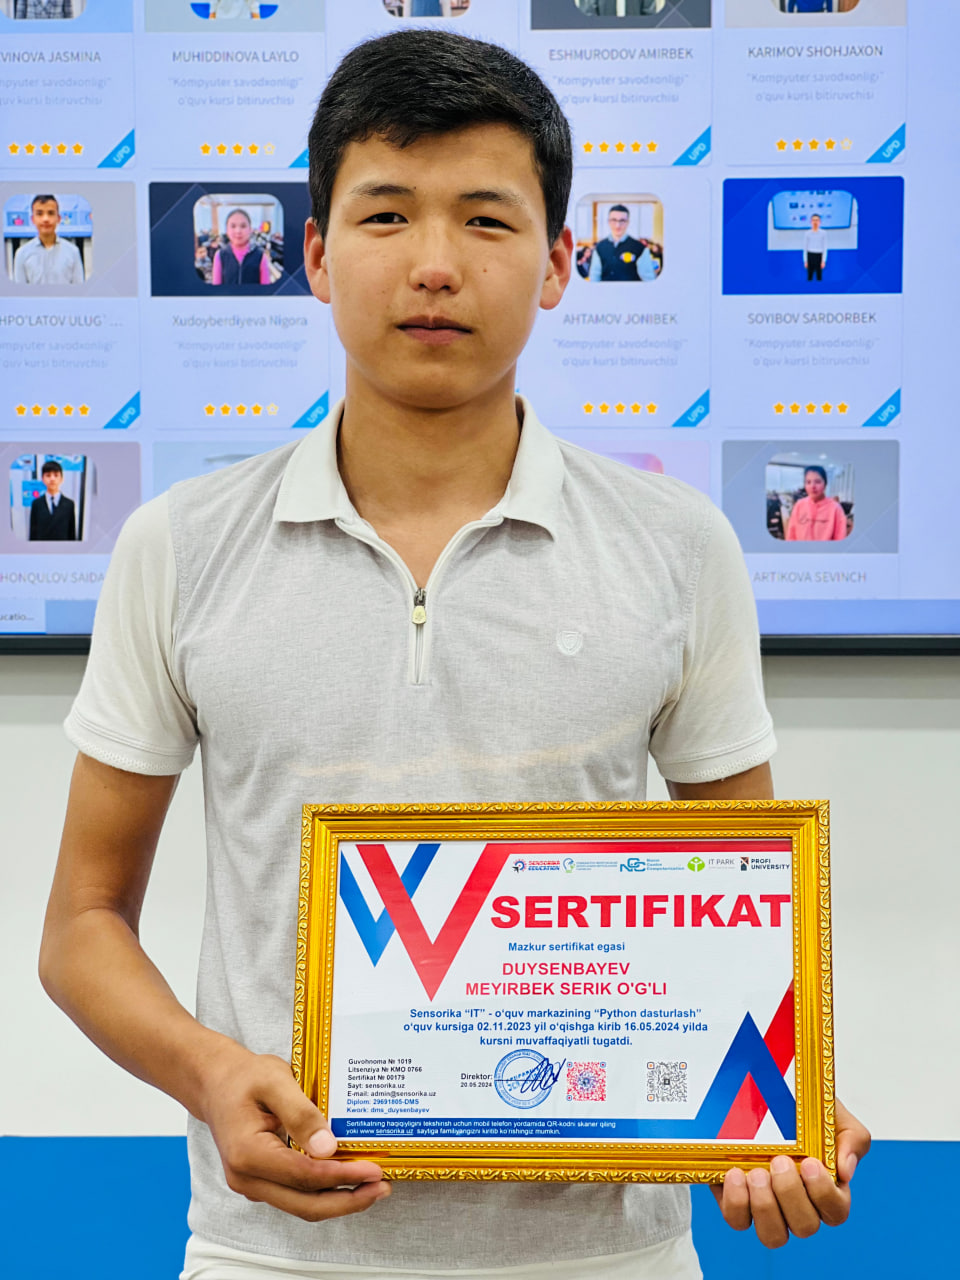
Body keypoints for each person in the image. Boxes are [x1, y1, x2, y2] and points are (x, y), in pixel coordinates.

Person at [40, 28, 869, 1280]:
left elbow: (750, 916)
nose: (435, 264)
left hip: (605, 1256)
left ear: (559, 263)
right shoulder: (182, 542)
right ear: (316, 256)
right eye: (386, 215)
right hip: (276, 1252)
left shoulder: (677, 544)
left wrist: (784, 1100)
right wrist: (209, 1071)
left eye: (487, 219)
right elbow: (81, 922)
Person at [12, 194, 84, 285]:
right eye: (39, 213)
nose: (45, 219)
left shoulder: (73, 252)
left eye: (50, 213)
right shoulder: (21, 254)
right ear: (33, 219)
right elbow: (20, 291)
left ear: (58, 218)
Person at [584, 204, 661, 282]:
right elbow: (594, 276)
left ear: (628, 222)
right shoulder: (599, 247)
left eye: (622, 221)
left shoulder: (640, 249)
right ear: (609, 222)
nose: (618, 225)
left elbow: (648, 279)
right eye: (614, 220)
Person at [785, 465, 848, 541]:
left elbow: (840, 538)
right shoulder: (799, 505)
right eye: (808, 482)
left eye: (817, 482)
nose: (812, 486)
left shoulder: (835, 508)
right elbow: (791, 535)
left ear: (825, 484)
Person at [211, 208, 272, 285]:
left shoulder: (260, 256)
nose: (238, 231)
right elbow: (217, 289)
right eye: (233, 226)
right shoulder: (220, 256)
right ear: (227, 230)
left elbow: (266, 289)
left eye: (243, 226)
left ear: (250, 229)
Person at [29, 460, 77, 541]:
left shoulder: (69, 504)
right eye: (48, 475)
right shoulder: (36, 504)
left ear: (61, 479)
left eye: (56, 475)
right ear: (43, 479)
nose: (52, 479)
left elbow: (71, 533)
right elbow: (33, 533)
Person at [803, 213, 827, 283]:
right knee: (809, 276)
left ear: (820, 222)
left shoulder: (823, 233)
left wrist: (823, 261)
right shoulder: (807, 233)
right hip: (810, 255)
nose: (815, 222)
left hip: (819, 255)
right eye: (813, 220)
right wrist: (805, 260)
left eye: (817, 220)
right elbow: (805, 248)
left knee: (819, 276)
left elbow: (825, 247)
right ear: (811, 222)